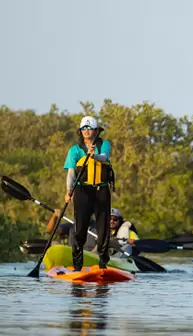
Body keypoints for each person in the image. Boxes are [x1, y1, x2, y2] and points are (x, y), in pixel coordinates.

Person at [63, 116, 114, 271]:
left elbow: (104, 157)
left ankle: (103, 263)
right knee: (79, 229)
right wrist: (68, 191)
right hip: (82, 190)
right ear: (80, 131)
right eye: (84, 128)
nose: (87, 131)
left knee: (103, 230)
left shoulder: (104, 145)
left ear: (96, 131)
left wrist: (94, 156)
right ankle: (77, 266)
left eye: (90, 128)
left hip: (101, 190)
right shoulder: (75, 150)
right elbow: (71, 173)